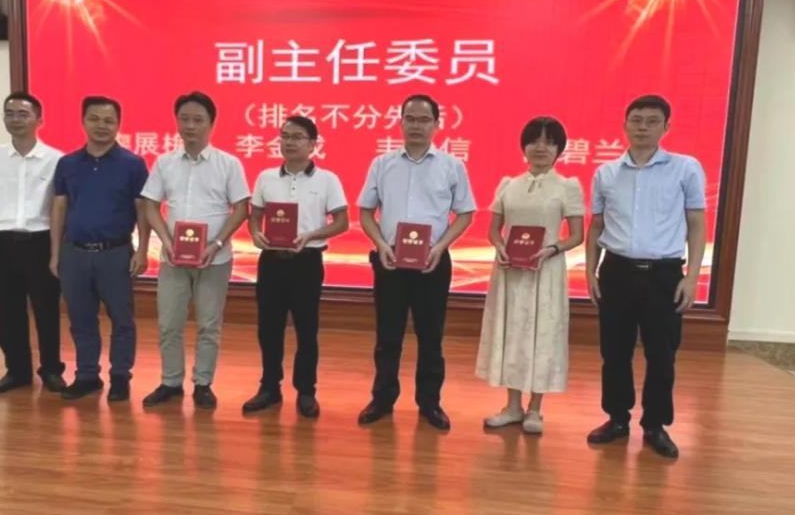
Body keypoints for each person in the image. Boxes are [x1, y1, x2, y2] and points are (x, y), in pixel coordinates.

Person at [585, 95, 706, 459]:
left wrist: (692, 276)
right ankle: (617, 419)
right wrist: (590, 271)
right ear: (625, 125)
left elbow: (696, 224)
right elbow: (596, 226)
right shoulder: (606, 173)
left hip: (664, 275)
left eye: (652, 121)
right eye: (636, 120)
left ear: (666, 127)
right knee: (614, 352)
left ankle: (655, 425)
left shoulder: (685, 169)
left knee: (662, 354)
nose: (643, 127)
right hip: (617, 271)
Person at [356, 94, 476, 431]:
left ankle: (430, 402)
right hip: (391, 259)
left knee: (431, 335)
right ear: (400, 122)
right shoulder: (382, 164)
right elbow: (365, 211)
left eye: (424, 120)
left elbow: (465, 213)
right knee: (388, 335)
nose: (416, 126)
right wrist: (381, 244)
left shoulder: (451, 166)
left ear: (436, 125)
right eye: (410, 118)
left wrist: (440, 246)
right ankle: (382, 399)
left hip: (432, 261)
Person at [140, 92, 250, 410]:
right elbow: (150, 205)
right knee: (169, 323)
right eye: (184, 119)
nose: (190, 126)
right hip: (173, 259)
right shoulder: (165, 163)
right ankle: (171, 382)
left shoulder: (229, 164)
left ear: (211, 124)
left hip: (215, 260)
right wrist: (166, 241)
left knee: (209, 325)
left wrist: (216, 244)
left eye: (198, 120)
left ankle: (203, 383)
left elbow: (241, 208)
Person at [477, 117, 585, 434]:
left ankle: (535, 409)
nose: (541, 147)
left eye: (549, 142)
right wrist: (500, 247)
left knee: (542, 334)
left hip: (545, 272)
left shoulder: (567, 186)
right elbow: (494, 230)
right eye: (534, 141)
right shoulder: (508, 185)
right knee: (512, 332)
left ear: (559, 149)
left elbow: (576, 235)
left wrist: (552, 248)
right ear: (523, 146)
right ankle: (512, 406)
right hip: (510, 271)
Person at [242, 116, 349, 418]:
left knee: (306, 329)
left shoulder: (327, 180)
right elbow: (255, 216)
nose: (289, 142)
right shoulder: (266, 177)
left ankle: (306, 391)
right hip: (271, 262)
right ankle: (269, 387)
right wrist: (255, 233)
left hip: (307, 262)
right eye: (285, 136)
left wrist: (312, 235)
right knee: (269, 328)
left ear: (313, 144)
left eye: (297, 137)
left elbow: (341, 222)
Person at [50, 96, 150, 403]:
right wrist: (55, 253)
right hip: (75, 253)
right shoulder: (67, 164)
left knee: (122, 319)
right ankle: (87, 375)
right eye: (94, 119)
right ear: (83, 122)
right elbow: (59, 208)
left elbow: (143, 209)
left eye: (109, 120)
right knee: (81, 319)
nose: (101, 126)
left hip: (115, 253)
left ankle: (120, 376)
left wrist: (142, 250)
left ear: (118, 125)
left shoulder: (133, 164)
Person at [0, 91, 65, 394]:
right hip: (2, 242)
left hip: (40, 242)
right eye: (9, 113)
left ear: (39, 119)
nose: (15, 119)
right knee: (8, 310)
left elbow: (59, 208)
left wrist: (57, 250)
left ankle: (51, 370)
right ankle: (17, 371)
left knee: (46, 309)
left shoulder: (57, 160)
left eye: (23, 114)